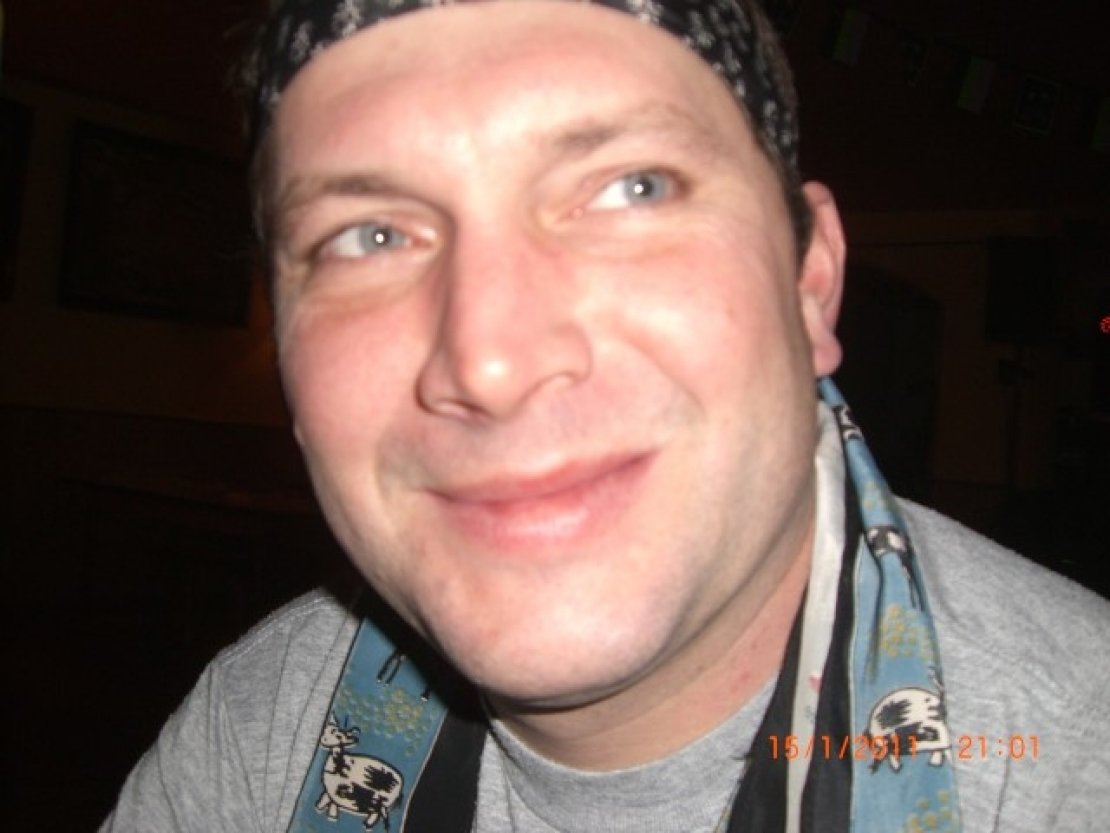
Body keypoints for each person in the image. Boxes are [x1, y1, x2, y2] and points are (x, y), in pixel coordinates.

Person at [101, 1, 1110, 831]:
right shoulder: (261, 726)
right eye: (369, 235)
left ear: (809, 282)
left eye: (633, 187)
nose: (490, 363)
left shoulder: (1072, 762)